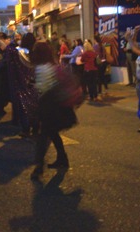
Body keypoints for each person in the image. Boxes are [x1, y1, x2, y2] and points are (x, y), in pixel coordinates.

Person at [29, 42, 78, 180]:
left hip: (47, 107)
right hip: (56, 107)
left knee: (43, 137)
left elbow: (42, 89)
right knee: (52, 133)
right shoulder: (53, 66)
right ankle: (62, 159)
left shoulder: (41, 68)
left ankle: (39, 167)